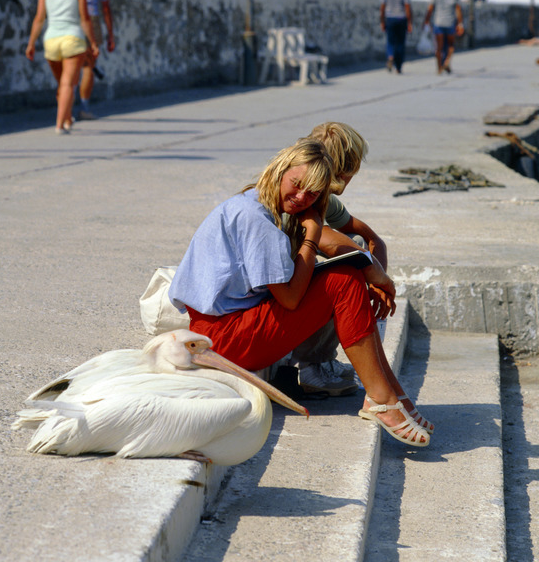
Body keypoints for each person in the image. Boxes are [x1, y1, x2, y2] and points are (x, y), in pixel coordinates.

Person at [168, 138, 432, 447]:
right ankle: (382, 398)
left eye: (313, 193)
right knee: (342, 281)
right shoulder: (255, 217)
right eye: (297, 183)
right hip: (223, 337)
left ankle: (391, 392)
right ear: (281, 169)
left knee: (344, 276)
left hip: (229, 327)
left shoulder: (257, 203)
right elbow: (290, 298)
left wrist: (369, 268)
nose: (301, 197)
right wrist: (312, 235)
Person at [289, 121, 395, 399]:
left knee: (357, 251)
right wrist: (374, 275)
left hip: (291, 297)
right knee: (345, 267)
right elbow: (325, 239)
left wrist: (378, 277)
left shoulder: (324, 197)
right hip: (278, 298)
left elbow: (369, 238)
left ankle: (322, 359)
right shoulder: (301, 196)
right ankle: (311, 365)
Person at [25, 0, 98, 133]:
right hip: (72, 40)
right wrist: (93, 43)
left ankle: (67, 120)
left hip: (51, 40)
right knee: (68, 84)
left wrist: (31, 43)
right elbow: (85, 20)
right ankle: (59, 124)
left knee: (62, 85)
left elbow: (39, 19)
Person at [73, 0, 115, 120]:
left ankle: (64, 109)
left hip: (69, 17)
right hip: (91, 18)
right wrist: (110, 35)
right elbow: (106, 8)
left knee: (69, 64)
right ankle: (84, 108)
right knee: (88, 66)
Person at [423, 0, 464, 74]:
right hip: (450, 23)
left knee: (439, 47)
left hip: (438, 22)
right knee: (450, 45)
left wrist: (426, 20)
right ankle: (447, 62)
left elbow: (430, 8)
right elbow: (458, 9)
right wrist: (460, 23)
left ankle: (439, 68)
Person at [380, 0, 413, 74]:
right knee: (400, 43)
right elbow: (407, 7)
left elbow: (382, 7)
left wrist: (382, 21)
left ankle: (390, 56)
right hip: (401, 18)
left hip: (390, 18)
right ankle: (398, 67)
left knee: (390, 41)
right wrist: (409, 22)